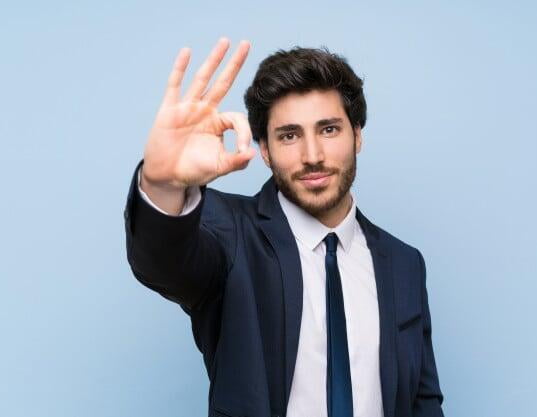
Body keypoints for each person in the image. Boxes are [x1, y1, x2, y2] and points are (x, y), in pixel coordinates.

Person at [123, 37, 444, 417]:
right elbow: (163, 263)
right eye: (289, 135)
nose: (313, 156)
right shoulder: (228, 232)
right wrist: (163, 184)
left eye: (328, 129)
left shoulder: (404, 263)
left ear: (357, 135)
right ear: (265, 150)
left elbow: (422, 403)